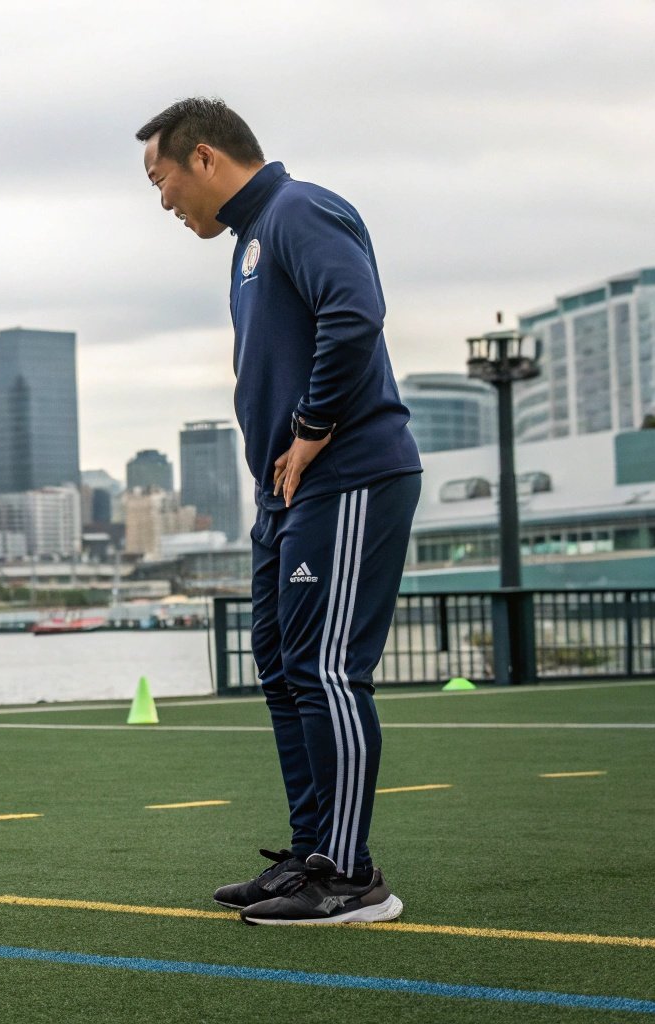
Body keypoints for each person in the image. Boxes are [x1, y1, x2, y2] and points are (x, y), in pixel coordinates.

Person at [136, 98, 421, 925]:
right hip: (285, 494)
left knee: (328, 667)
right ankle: (309, 855)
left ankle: (352, 876)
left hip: (347, 474)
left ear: (204, 158)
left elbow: (355, 315)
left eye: (161, 181)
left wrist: (313, 427)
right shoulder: (250, 241)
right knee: (284, 665)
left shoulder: (300, 210)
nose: (163, 201)